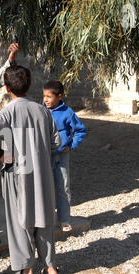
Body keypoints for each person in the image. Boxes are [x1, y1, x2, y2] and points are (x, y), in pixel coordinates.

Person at [0, 65, 62, 274]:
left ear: (6, 88)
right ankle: (50, 267)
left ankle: (27, 272)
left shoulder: (7, 112)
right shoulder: (43, 110)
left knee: (21, 220)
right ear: (30, 85)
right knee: (43, 216)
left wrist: (3, 156)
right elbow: (56, 142)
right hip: (42, 174)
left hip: (17, 175)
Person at [43, 80, 87, 232]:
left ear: (59, 96)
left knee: (63, 188)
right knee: (44, 188)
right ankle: (46, 219)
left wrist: (72, 145)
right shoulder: (40, 111)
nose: (46, 100)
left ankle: (64, 219)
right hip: (45, 157)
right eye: (44, 96)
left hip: (62, 157)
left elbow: (81, 131)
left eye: (49, 96)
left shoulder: (68, 112)